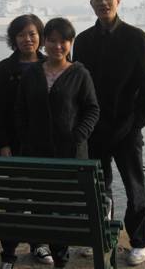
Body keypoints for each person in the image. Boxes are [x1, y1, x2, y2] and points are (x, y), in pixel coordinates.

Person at [73, 0, 145, 266]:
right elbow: (79, 87)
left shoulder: (138, 39)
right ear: (91, 3)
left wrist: (137, 123)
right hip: (95, 128)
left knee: (135, 188)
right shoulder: (83, 41)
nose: (103, 2)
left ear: (118, 0)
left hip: (128, 128)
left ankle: (138, 242)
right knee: (100, 189)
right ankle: (100, 236)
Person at [16, 17, 100, 269]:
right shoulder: (32, 73)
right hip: (38, 155)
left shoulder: (79, 73)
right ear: (44, 42)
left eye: (63, 41)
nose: (57, 46)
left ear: (71, 43)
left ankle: (61, 259)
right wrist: (27, 140)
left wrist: (78, 135)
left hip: (70, 155)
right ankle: (43, 248)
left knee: (64, 209)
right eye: (51, 40)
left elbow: (92, 109)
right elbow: (20, 110)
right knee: (41, 205)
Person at [0, 14, 53, 269]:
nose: (27, 39)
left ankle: (39, 244)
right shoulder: (5, 68)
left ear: (41, 36)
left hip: (44, 144)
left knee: (41, 198)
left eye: (32, 34)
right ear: (13, 39)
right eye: (21, 35)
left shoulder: (52, 63)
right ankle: (8, 252)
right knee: (15, 200)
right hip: (16, 143)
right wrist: (3, 143)